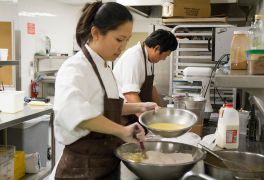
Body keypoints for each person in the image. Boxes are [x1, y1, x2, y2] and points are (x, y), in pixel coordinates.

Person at [49, 2, 157, 179]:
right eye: (119, 39)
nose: (122, 47)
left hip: (106, 165)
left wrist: (140, 107)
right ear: (96, 33)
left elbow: (103, 106)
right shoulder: (75, 68)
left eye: (127, 40)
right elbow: (77, 115)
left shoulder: (105, 67)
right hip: (81, 170)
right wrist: (122, 131)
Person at [113, 29, 178, 125]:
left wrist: (161, 114)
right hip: (123, 115)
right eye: (165, 55)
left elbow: (152, 88)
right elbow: (130, 95)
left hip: (136, 113)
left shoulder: (148, 59)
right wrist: (149, 123)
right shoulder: (134, 57)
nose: (164, 59)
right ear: (156, 48)